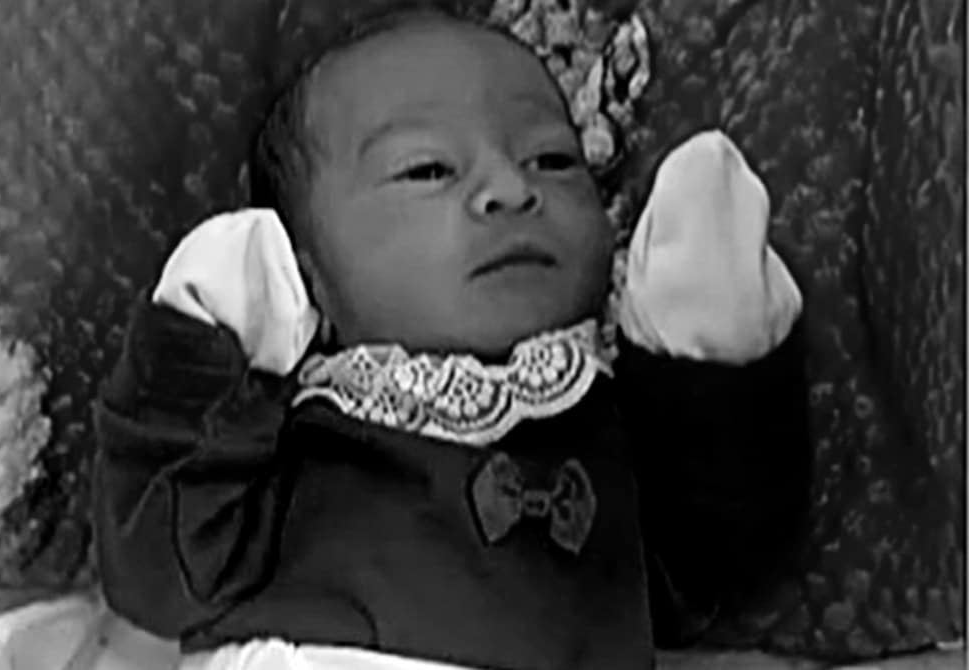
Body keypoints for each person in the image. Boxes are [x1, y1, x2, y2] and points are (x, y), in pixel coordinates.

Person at [91, 5, 811, 670]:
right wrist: (201, 349)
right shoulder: (285, 435)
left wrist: (711, 348)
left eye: (554, 159)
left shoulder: (609, 428)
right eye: (427, 169)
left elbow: (719, 572)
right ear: (307, 274)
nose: (511, 189)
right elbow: (158, 574)